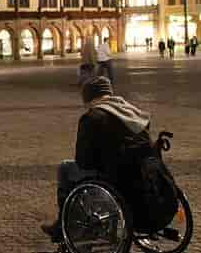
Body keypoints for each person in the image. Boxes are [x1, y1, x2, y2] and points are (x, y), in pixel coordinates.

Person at [41, 75, 152, 243]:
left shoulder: (92, 118)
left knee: (65, 168)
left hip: (113, 175)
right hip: (139, 170)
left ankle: (65, 224)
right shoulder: (132, 113)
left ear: (90, 98)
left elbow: (83, 161)